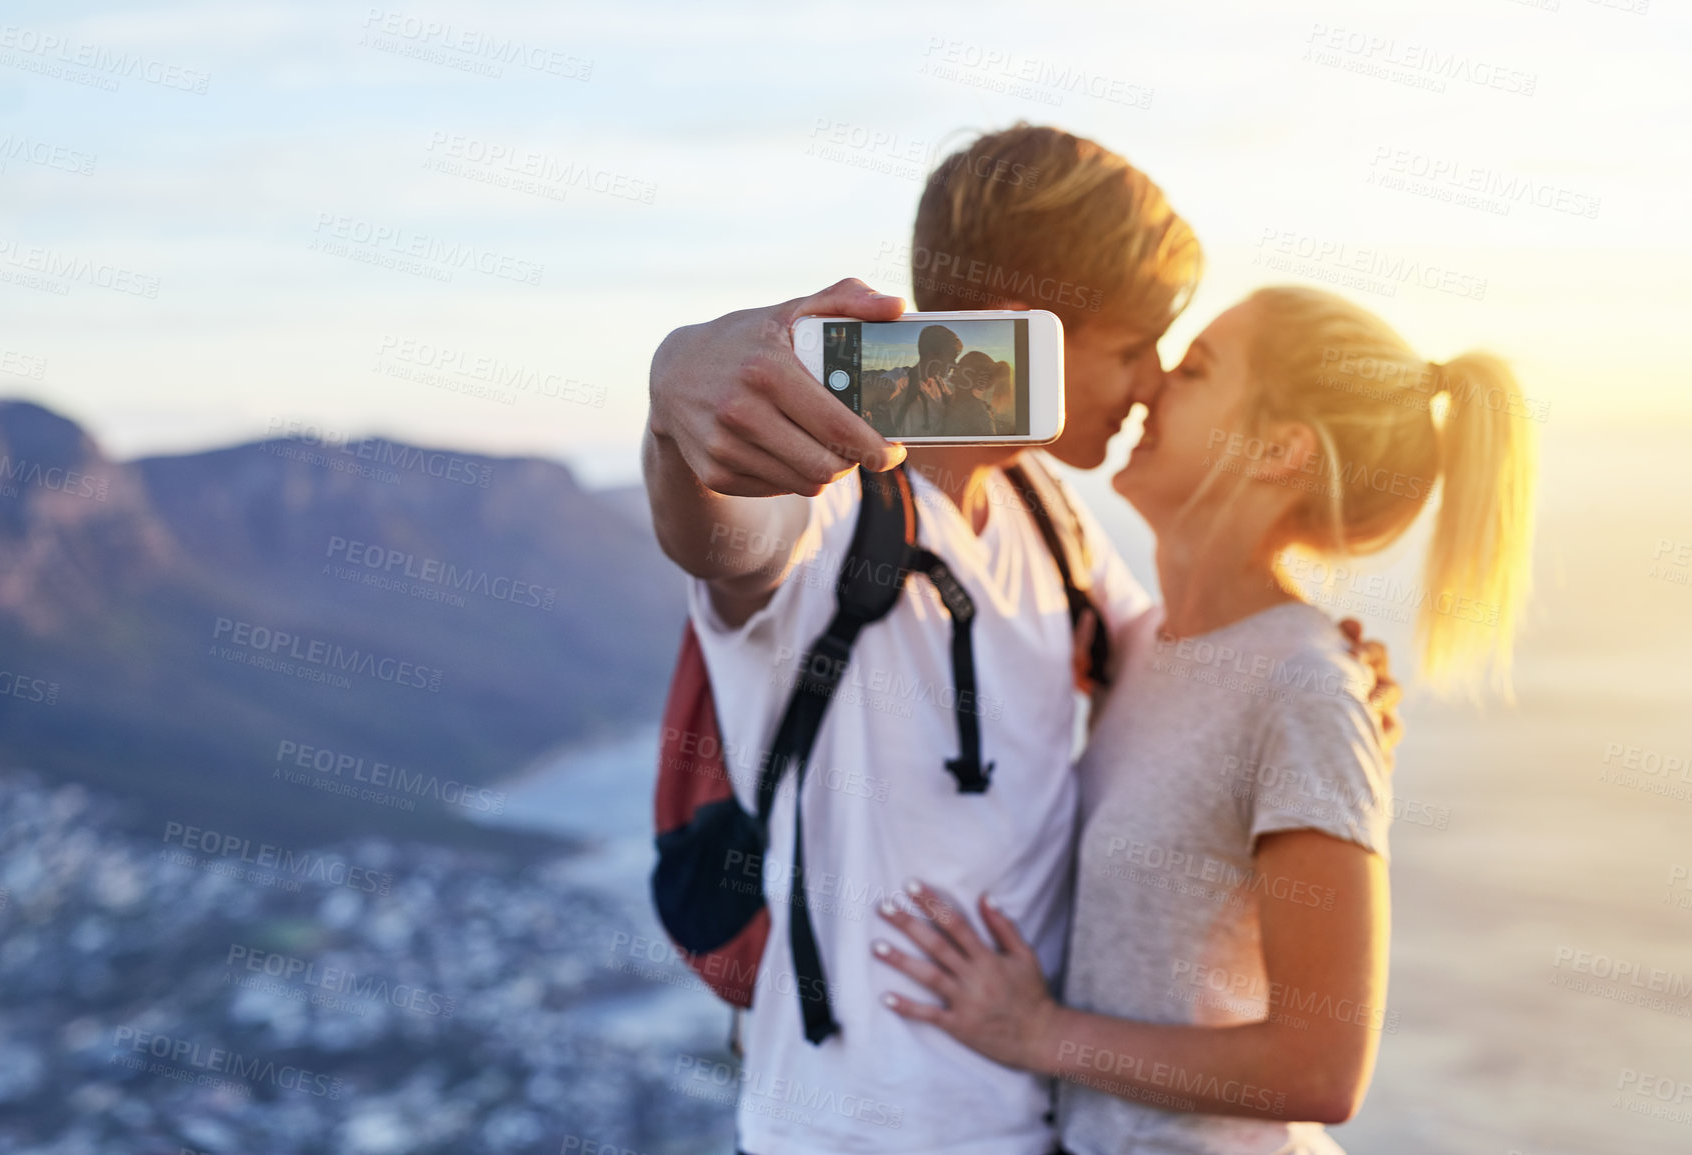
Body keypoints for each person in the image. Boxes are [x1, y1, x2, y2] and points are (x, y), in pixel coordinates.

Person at [644, 124, 1396, 1155]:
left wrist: (1330, 678)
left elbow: (1195, 672)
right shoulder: (824, 513)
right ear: (1019, 338)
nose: (1150, 387)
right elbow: (720, 533)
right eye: (1133, 349)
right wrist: (677, 398)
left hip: (1039, 1129)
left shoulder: (1056, 519)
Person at [871, 286, 1537, 1154]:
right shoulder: (1142, 645)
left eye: (1193, 370)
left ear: (1276, 448)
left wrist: (1037, 1033)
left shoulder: (1307, 687)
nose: (1150, 388)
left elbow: (1321, 1068)